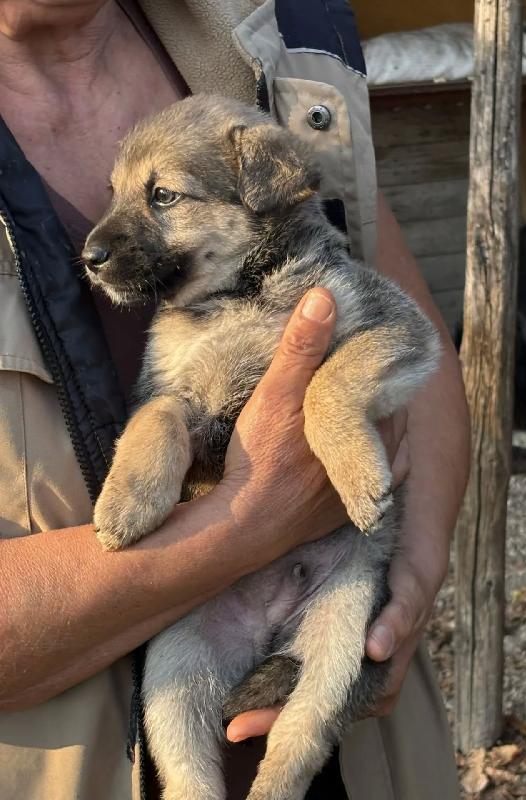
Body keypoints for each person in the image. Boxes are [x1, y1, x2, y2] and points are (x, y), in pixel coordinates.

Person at [0, 1, 470, 799]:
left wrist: (412, 579)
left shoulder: (267, 35)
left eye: (158, 196)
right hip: (77, 762)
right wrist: (249, 521)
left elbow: (413, 336)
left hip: (361, 743)